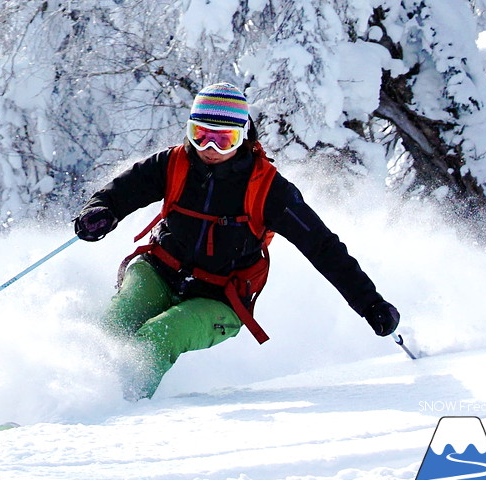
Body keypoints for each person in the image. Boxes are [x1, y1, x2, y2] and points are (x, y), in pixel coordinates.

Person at [73, 82, 400, 400]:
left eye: (223, 140)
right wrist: (99, 212)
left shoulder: (268, 189)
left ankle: (112, 408)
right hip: (159, 271)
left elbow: (322, 246)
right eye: (200, 136)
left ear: (242, 138)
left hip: (220, 298)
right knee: (115, 325)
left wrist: (369, 303)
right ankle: (68, 398)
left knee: (159, 337)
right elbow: (121, 192)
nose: (209, 150)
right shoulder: (173, 164)